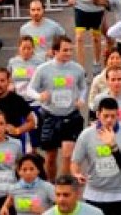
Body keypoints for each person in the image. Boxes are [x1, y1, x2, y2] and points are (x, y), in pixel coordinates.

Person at [29, 36, 88, 179]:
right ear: (55, 51)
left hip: (70, 116)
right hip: (50, 116)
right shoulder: (43, 69)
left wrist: (81, 99)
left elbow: (83, 87)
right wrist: (39, 96)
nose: (69, 53)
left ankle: (64, 184)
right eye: (65, 50)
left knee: (68, 155)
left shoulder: (77, 69)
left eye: (70, 50)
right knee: (50, 157)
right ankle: (51, 185)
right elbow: (30, 89)